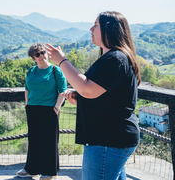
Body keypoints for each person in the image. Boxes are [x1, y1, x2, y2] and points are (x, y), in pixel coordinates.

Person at [46, 11, 140, 180]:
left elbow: (87, 88)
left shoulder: (115, 59)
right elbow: (98, 93)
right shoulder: (114, 58)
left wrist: (62, 61)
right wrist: (80, 97)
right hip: (112, 138)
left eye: (96, 25)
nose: (91, 28)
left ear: (109, 29)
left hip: (108, 140)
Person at [16, 43, 67, 180]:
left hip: (49, 110)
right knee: (34, 140)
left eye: (43, 52)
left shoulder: (56, 70)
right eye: (37, 54)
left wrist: (56, 108)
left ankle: (50, 172)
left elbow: (62, 91)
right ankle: (31, 169)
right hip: (32, 109)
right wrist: (27, 104)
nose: (41, 56)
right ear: (33, 58)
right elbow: (27, 88)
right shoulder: (31, 71)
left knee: (49, 141)